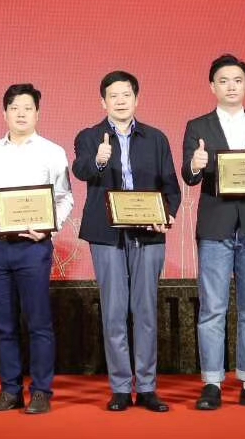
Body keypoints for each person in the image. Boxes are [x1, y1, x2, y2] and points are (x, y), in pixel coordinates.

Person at [0, 84, 74, 414]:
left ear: (38, 113)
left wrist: (49, 228)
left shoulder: (52, 152)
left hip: (34, 247)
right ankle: (10, 390)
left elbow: (65, 198)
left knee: (38, 323)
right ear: (4, 113)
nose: (21, 113)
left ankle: (41, 391)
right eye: (14, 108)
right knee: (4, 324)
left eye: (27, 108)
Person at [181, 54, 245, 411]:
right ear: (212, 86)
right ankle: (212, 383)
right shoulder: (198, 126)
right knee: (212, 308)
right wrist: (195, 166)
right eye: (224, 80)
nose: (231, 86)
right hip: (216, 226)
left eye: (238, 80)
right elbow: (189, 175)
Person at [72, 71, 181, 412]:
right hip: (106, 234)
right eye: (113, 96)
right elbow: (81, 170)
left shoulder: (156, 138)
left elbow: (171, 187)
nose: (120, 101)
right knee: (114, 310)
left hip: (148, 232)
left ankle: (147, 387)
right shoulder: (89, 137)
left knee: (145, 310)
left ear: (137, 99)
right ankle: (120, 387)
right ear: (103, 102)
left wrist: (167, 215)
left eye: (126, 95)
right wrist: (99, 160)